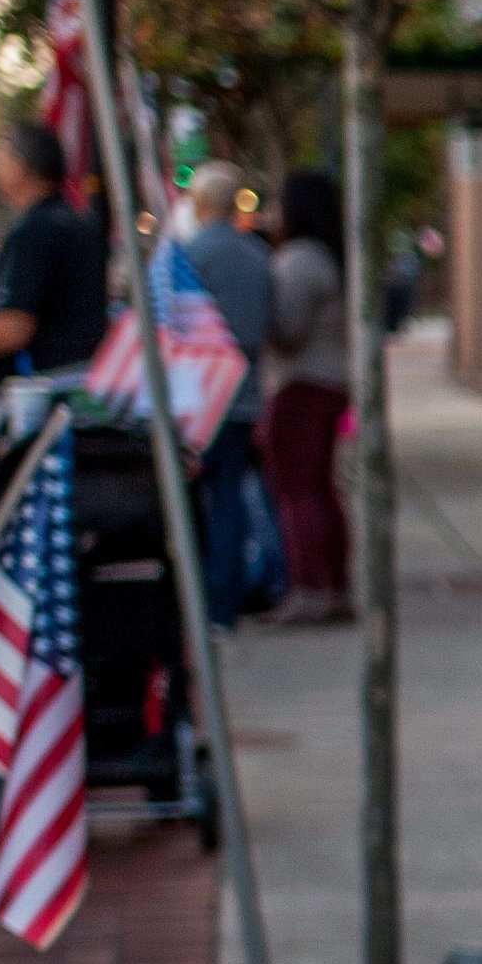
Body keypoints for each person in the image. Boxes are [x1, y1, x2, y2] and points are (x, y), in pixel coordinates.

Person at [168, 161, 288, 624]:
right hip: (244, 396)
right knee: (232, 501)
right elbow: (273, 326)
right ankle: (228, 599)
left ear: (199, 206)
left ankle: (203, 600)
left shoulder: (186, 258)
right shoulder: (259, 258)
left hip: (197, 400)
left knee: (197, 503)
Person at [0, 117, 107, 376]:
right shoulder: (74, 222)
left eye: (2, 158)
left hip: (42, 391)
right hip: (79, 380)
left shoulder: (37, 230)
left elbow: (13, 329)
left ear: (19, 168)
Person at [261, 170, 353, 621]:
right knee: (320, 487)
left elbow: (288, 330)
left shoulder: (299, 260)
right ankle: (333, 586)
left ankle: (310, 588)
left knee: (297, 490)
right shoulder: (330, 256)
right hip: (330, 380)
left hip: (302, 382)